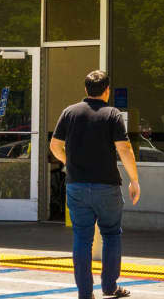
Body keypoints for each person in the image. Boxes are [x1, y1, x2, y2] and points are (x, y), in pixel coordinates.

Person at [50, 70, 141, 299]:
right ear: (107, 91)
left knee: (82, 237)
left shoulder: (69, 112)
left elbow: (54, 145)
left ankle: (85, 293)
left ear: (85, 90)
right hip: (107, 186)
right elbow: (124, 149)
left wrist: (69, 162)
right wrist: (134, 180)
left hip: (76, 186)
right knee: (111, 234)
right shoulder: (112, 114)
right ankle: (110, 287)